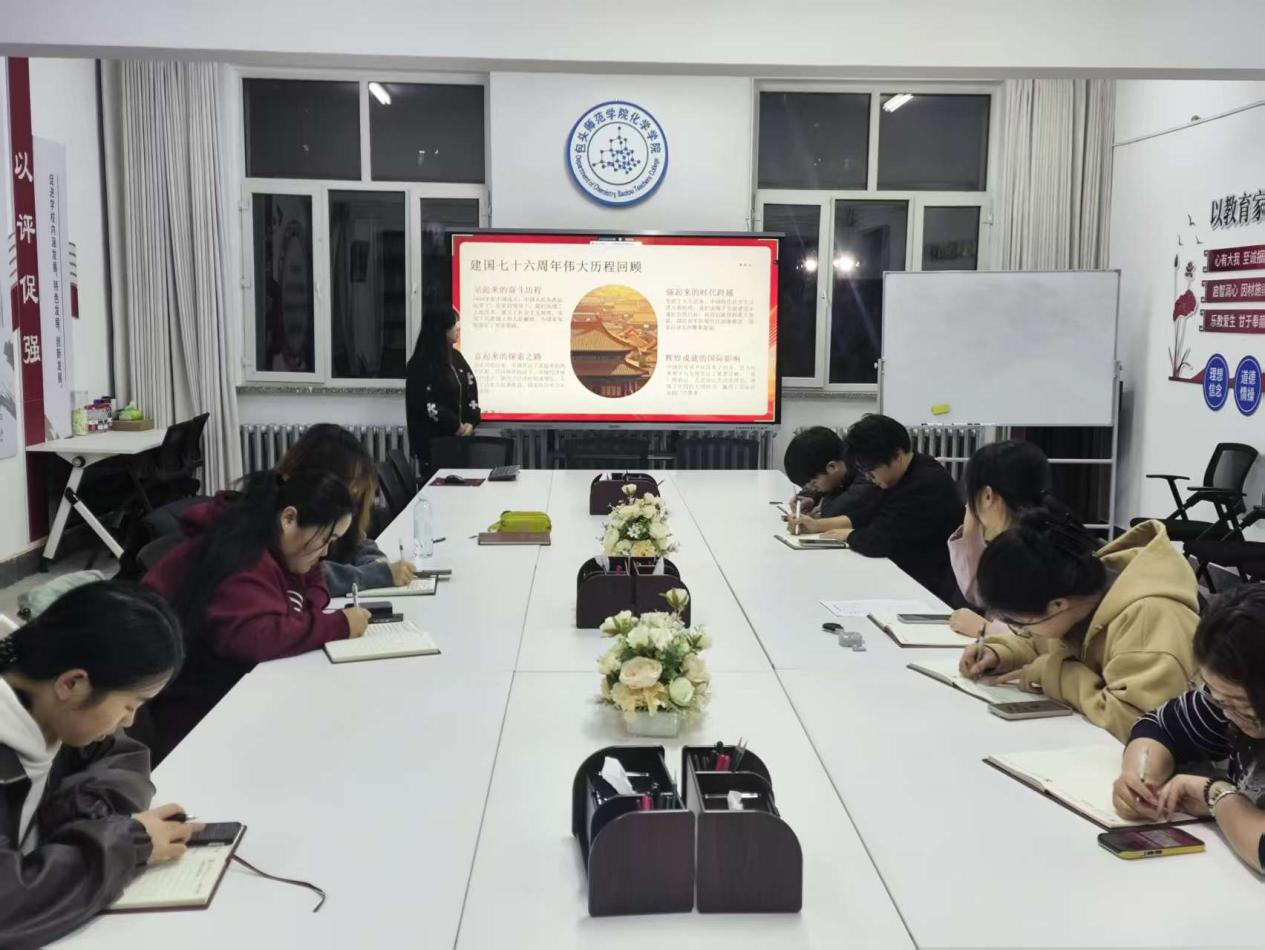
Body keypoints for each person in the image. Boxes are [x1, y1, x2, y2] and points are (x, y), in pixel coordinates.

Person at [0, 582, 200, 946]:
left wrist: (77, 818)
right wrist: (128, 845)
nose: (129, 721)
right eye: (129, 705)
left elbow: (121, 756)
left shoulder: (49, 704)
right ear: (72, 684)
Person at [144, 469, 371, 760]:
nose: (325, 552)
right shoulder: (241, 555)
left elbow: (312, 579)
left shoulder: (277, 543)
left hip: (231, 689)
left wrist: (306, 610)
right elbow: (254, 637)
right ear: (289, 519)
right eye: (326, 539)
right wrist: (338, 624)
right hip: (198, 717)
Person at [960, 510, 1199, 742]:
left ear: (1057, 605)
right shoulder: (1079, 589)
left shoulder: (1149, 620)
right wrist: (999, 653)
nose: (1024, 629)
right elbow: (1043, 641)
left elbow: (1139, 724)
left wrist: (1057, 674)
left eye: (1022, 622)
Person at [1111, 584, 1265, 873]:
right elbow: (1161, 726)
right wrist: (1142, 778)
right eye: (1220, 701)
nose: (1228, 714)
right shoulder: (1226, 700)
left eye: (1244, 706)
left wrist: (1217, 794)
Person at [787, 414, 963, 603]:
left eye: (870, 473)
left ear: (896, 456)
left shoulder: (924, 484)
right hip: (905, 573)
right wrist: (817, 525)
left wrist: (849, 535)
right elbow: (865, 514)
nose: (869, 479)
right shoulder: (899, 474)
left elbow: (879, 540)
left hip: (927, 587)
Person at [277, 423, 415, 597]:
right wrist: (376, 574)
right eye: (350, 487)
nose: (352, 497)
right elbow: (310, 577)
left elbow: (359, 541)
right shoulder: (288, 516)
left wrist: (377, 564)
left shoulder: (342, 508)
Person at [947, 440, 1057, 639]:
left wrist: (986, 629)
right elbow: (981, 594)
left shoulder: (1031, 550)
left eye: (971, 497)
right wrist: (970, 529)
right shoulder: (1041, 532)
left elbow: (1042, 635)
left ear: (987, 495)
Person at [405, 306, 481, 477]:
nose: (459, 327)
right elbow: (425, 404)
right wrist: (455, 425)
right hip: (435, 447)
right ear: (440, 328)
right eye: (454, 323)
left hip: (462, 443)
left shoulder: (456, 357)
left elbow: (470, 386)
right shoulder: (420, 364)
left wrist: (470, 422)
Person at [782, 426, 881, 523]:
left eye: (814, 484)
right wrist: (811, 498)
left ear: (832, 467)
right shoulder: (841, 472)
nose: (815, 488)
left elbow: (838, 510)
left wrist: (823, 507)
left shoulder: (867, 474)